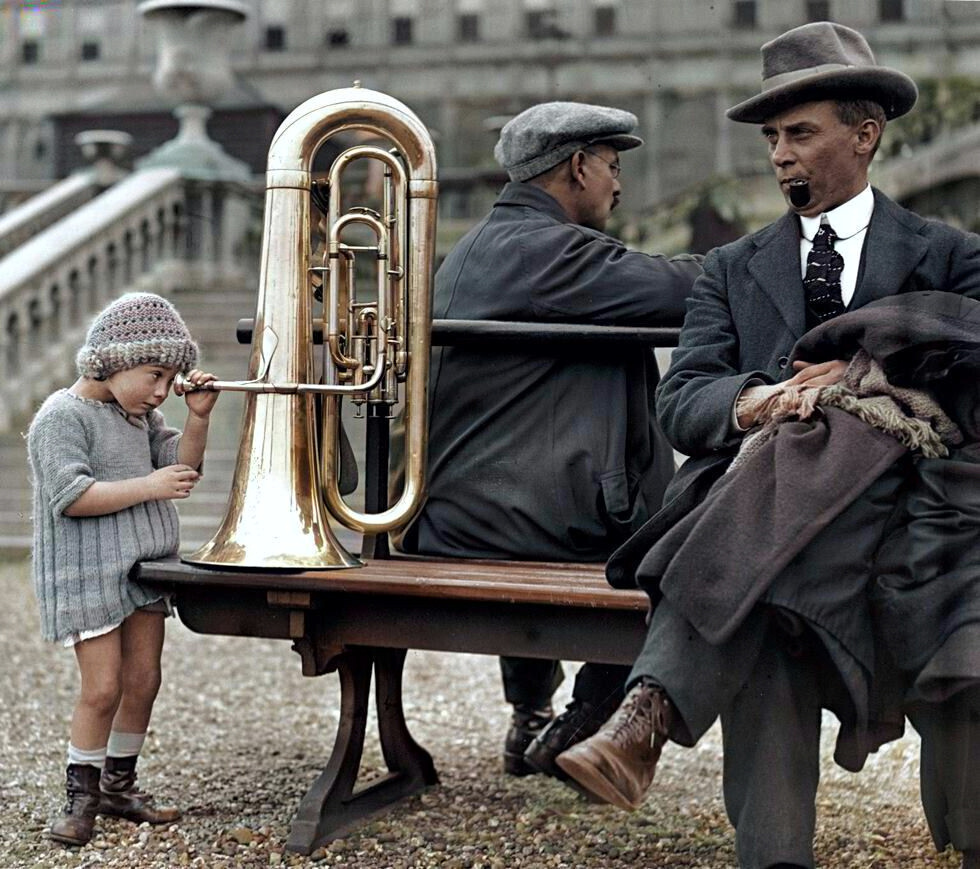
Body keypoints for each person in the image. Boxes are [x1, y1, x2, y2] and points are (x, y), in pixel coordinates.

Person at [554, 21, 980, 869]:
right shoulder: (728, 268)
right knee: (773, 576)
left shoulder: (949, 257)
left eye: (801, 133)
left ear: (866, 135)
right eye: (772, 139)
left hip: (915, 519)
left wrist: (864, 379)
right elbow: (685, 402)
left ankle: (650, 708)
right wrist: (763, 402)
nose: (780, 156)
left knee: (802, 502)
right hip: (770, 527)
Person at [399, 101, 702, 780]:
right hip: (522, 527)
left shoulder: (474, 249)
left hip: (456, 518)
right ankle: (592, 710)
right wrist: (762, 266)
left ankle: (531, 713)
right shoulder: (551, 254)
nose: (619, 185)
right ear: (577, 166)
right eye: (613, 166)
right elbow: (681, 288)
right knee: (686, 541)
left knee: (573, 478)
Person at [27, 292, 219, 847]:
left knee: (144, 680)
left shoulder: (142, 416)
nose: (163, 389)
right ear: (112, 359)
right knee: (103, 688)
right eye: (154, 373)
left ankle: (118, 784)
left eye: (171, 377)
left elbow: (182, 466)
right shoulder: (60, 417)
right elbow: (72, 496)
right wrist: (150, 487)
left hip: (145, 571)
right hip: (87, 574)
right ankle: (80, 796)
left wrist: (197, 418)